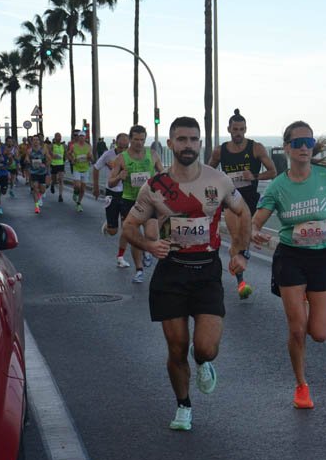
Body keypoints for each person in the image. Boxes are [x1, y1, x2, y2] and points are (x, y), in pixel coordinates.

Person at [122, 116, 251, 432]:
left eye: (194, 140)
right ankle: (183, 406)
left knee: (204, 347)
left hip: (207, 271)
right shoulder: (156, 187)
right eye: (182, 139)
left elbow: (243, 212)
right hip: (171, 273)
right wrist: (151, 246)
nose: (188, 145)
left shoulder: (218, 180)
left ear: (200, 144)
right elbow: (128, 227)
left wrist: (241, 252)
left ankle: (204, 362)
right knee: (177, 347)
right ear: (170, 144)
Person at [251, 121, 326, 409]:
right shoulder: (278, 186)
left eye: (309, 142)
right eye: (298, 143)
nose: (305, 147)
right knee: (297, 329)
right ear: (287, 148)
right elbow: (257, 221)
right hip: (291, 258)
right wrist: (255, 232)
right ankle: (301, 385)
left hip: (321, 258)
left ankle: (306, 300)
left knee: (319, 333)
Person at [208, 109, 277, 300]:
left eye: (242, 129)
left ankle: (243, 255)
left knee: (246, 240)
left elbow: (273, 172)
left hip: (251, 200)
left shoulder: (256, 148)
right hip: (230, 200)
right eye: (235, 129)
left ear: (246, 129)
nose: (239, 133)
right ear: (229, 129)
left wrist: (254, 175)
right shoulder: (220, 150)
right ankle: (241, 282)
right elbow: (208, 172)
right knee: (236, 238)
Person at [110, 126, 162, 283]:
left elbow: (164, 173)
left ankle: (147, 250)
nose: (139, 143)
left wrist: (161, 179)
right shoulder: (121, 158)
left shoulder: (152, 155)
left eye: (142, 139)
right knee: (134, 236)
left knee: (152, 234)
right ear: (130, 139)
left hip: (149, 200)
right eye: (136, 139)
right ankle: (139, 270)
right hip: (129, 201)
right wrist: (119, 176)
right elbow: (111, 182)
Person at [93, 132, 133, 268]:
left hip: (127, 193)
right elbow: (96, 168)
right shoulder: (108, 155)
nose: (123, 149)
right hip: (111, 192)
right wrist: (96, 187)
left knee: (126, 227)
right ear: (116, 142)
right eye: (121, 146)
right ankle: (108, 224)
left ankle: (120, 257)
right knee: (113, 231)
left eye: (126, 146)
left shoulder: (132, 156)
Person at [67, 130, 93, 213]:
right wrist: (72, 160)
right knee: (77, 186)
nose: (81, 138)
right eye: (80, 136)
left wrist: (90, 157)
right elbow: (68, 154)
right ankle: (75, 193)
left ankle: (79, 203)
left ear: (85, 137)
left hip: (85, 168)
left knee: (83, 189)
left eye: (83, 136)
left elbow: (91, 158)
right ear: (78, 137)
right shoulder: (74, 146)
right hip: (77, 168)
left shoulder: (88, 146)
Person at [26, 135, 50, 214]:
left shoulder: (43, 150)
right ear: (32, 141)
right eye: (34, 140)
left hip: (42, 172)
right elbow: (26, 159)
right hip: (33, 172)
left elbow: (48, 159)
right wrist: (28, 161)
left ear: (39, 141)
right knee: (35, 188)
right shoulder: (29, 151)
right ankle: (36, 206)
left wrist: (45, 164)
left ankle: (40, 196)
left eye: (37, 140)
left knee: (42, 190)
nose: (36, 141)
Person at [49, 132, 66, 202]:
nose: (59, 137)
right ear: (55, 138)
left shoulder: (63, 146)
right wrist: (53, 155)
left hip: (61, 164)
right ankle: (52, 184)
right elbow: (49, 152)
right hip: (54, 164)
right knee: (54, 180)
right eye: (57, 136)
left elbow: (66, 153)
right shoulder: (52, 145)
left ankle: (60, 195)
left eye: (60, 136)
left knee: (61, 180)